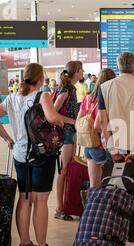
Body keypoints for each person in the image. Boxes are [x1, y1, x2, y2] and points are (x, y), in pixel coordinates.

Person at [0, 63, 68, 246]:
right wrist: (66, 121)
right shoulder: (42, 96)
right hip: (41, 155)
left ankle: (24, 243)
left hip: (20, 154)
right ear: (40, 78)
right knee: (40, 200)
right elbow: (52, 117)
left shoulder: (13, 97)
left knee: (24, 198)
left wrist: (8, 138)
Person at [98, 52, 134, 246]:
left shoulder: (105, 88)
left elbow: (104, 122)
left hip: (114, 147)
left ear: (118, 66)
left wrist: (113, 149)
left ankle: (113, 236)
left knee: (113, 191)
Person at [53, 61, 83, 221]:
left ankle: (65, 204)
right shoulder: (65, 90)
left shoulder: (70, 88)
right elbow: (53, 112)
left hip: (69, 132)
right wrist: (72, 121)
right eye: (81, 70)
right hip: (65, 133)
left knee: (68, 169)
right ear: (77, 71)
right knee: (64, 170)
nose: (83, 72)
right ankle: (59, 208)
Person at [77, 68, 116, 188]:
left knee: (94, 185)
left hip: (88, 146)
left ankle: (91, 206)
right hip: (101, 146)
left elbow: (78, 121)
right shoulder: (105, 99)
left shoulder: (88, 98)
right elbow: (98, 126)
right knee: (107, 185)